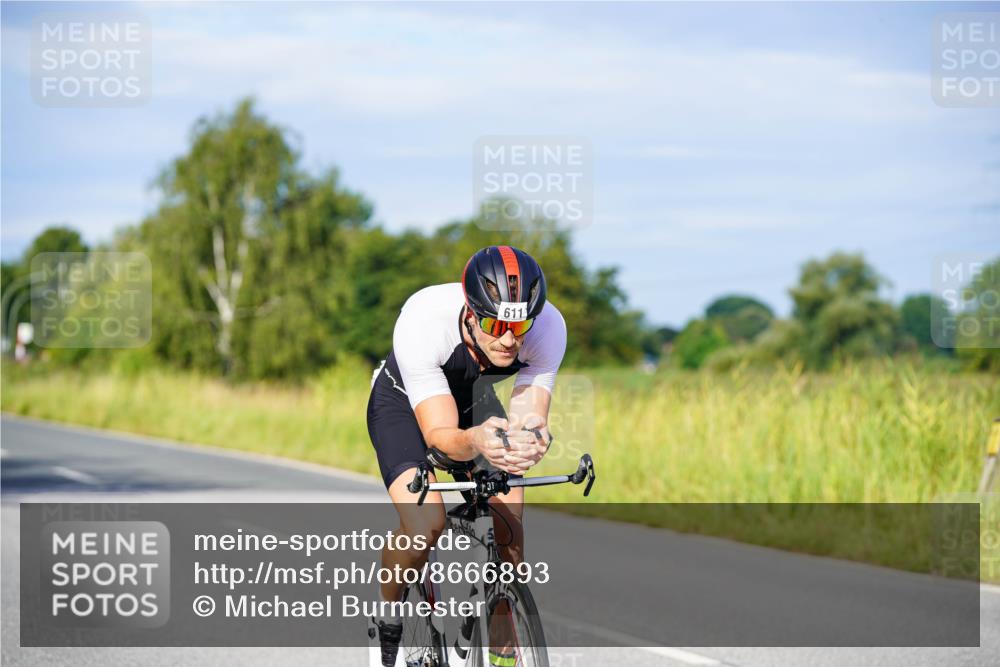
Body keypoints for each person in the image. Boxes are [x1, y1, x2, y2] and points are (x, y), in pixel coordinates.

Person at [366, 245, 566, 666]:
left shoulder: (548, 327)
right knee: (425, 523)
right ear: (472, 313)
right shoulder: (424, 320)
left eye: (520, 325)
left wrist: (530, 438)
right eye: (496, 324)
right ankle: (387, 613)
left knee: (509, 517)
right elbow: (439, 436)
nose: (511, 338)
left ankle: (499, 646)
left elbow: (529, 416)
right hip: (404, 403)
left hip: (475, 400)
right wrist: (476, 441)